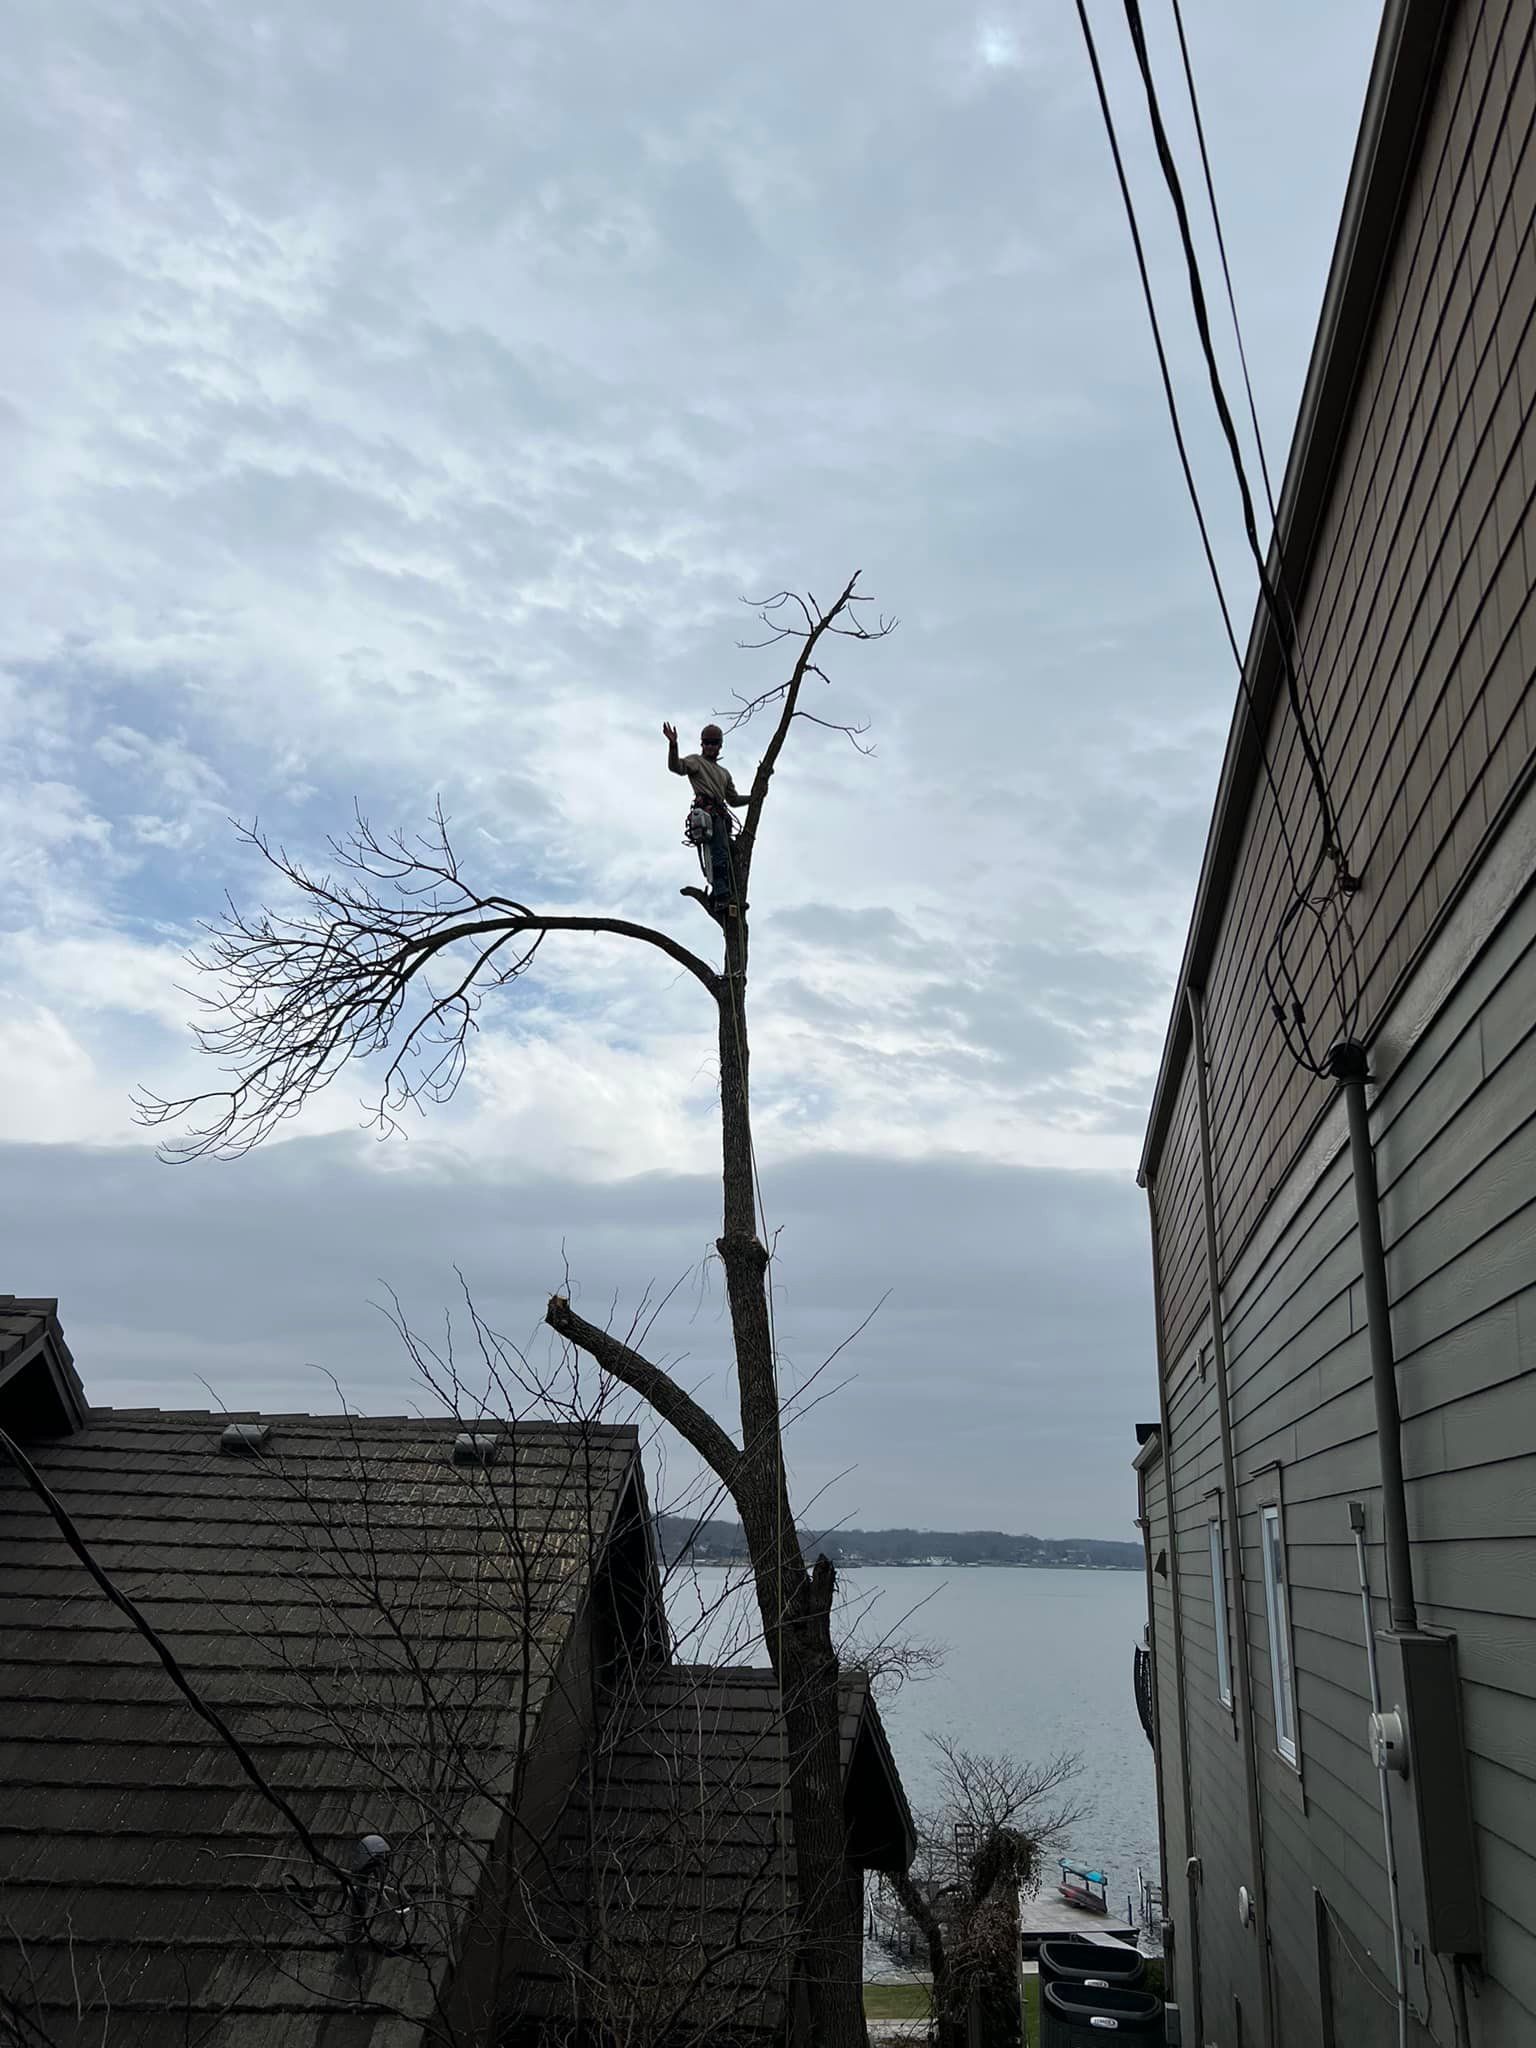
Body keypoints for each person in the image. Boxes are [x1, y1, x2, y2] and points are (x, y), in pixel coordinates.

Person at [664, 720, 749, 911]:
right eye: (707, 743)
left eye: (714, 743)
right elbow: (676, 767)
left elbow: (733, 800)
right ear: (702, 744)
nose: (710, 747)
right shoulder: (696, 762)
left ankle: (724, 892)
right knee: (718, 853)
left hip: (721, 815)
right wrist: (673, 745)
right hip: (709, 814)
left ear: (720, 746)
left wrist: (754, 798)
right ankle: (721, 897)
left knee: (728, 855)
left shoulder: (724, 773)